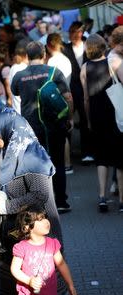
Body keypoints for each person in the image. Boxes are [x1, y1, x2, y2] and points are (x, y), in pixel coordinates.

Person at [0, 108, 65, 295]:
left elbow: (39, 195)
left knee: (39, 293)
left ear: (6, 128)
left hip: (35, 245)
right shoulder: (5, 156)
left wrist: (5, 207)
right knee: (11, 293)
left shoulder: (33, 156)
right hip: (10, 243)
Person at [11, 41, 74, 213]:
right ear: (44, 55)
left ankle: (41, 203)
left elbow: (15, 92)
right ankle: (60, 201)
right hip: (54, 125)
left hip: (30, 128)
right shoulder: (54, 72)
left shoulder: (19, 76)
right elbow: (68, 97)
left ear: (27, 56)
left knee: (35, 165)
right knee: (58, 162)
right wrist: (69, 118)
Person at [80, 33, 123, 212]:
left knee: (101, 159)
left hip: (97, 116)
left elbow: (86, 99)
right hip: (115, 115)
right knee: (120, 158)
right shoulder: (114, 63)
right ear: (104, 46)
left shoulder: (84, 68)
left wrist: (89, 120)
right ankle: (122, 200)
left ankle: (102, 197)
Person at [11, 206, 78, 295]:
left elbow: (61, 264)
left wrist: (71, 286)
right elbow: (15, 269)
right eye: (40, 219)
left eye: (45, 217)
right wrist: (29, 280)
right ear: (27, 227)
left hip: (49, 294)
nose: (46, 221)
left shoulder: (52, 243)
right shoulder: (21, 247)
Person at [63, 21, 94, 163]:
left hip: (87, 88)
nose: (72, 35)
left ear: (81, 33)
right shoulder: (65, 48)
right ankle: (66, 153)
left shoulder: (89, 45)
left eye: (75, 32)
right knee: (66, 120)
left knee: (85, 119)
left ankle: (87, 152)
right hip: (70, 89)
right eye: (70, 32)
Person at [47, 32, 74, 175]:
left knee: (58, 134)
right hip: (67, 96)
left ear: (49, 45)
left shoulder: (51, 62)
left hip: (55, 98)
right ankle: (68, 164)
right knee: (65, 132)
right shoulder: (66, 60)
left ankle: (63, 164)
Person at [8, 42, 28, 114]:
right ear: (26, 55)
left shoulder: (13, 68)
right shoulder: (24, 68)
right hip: (25, 108)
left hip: (16, 107)